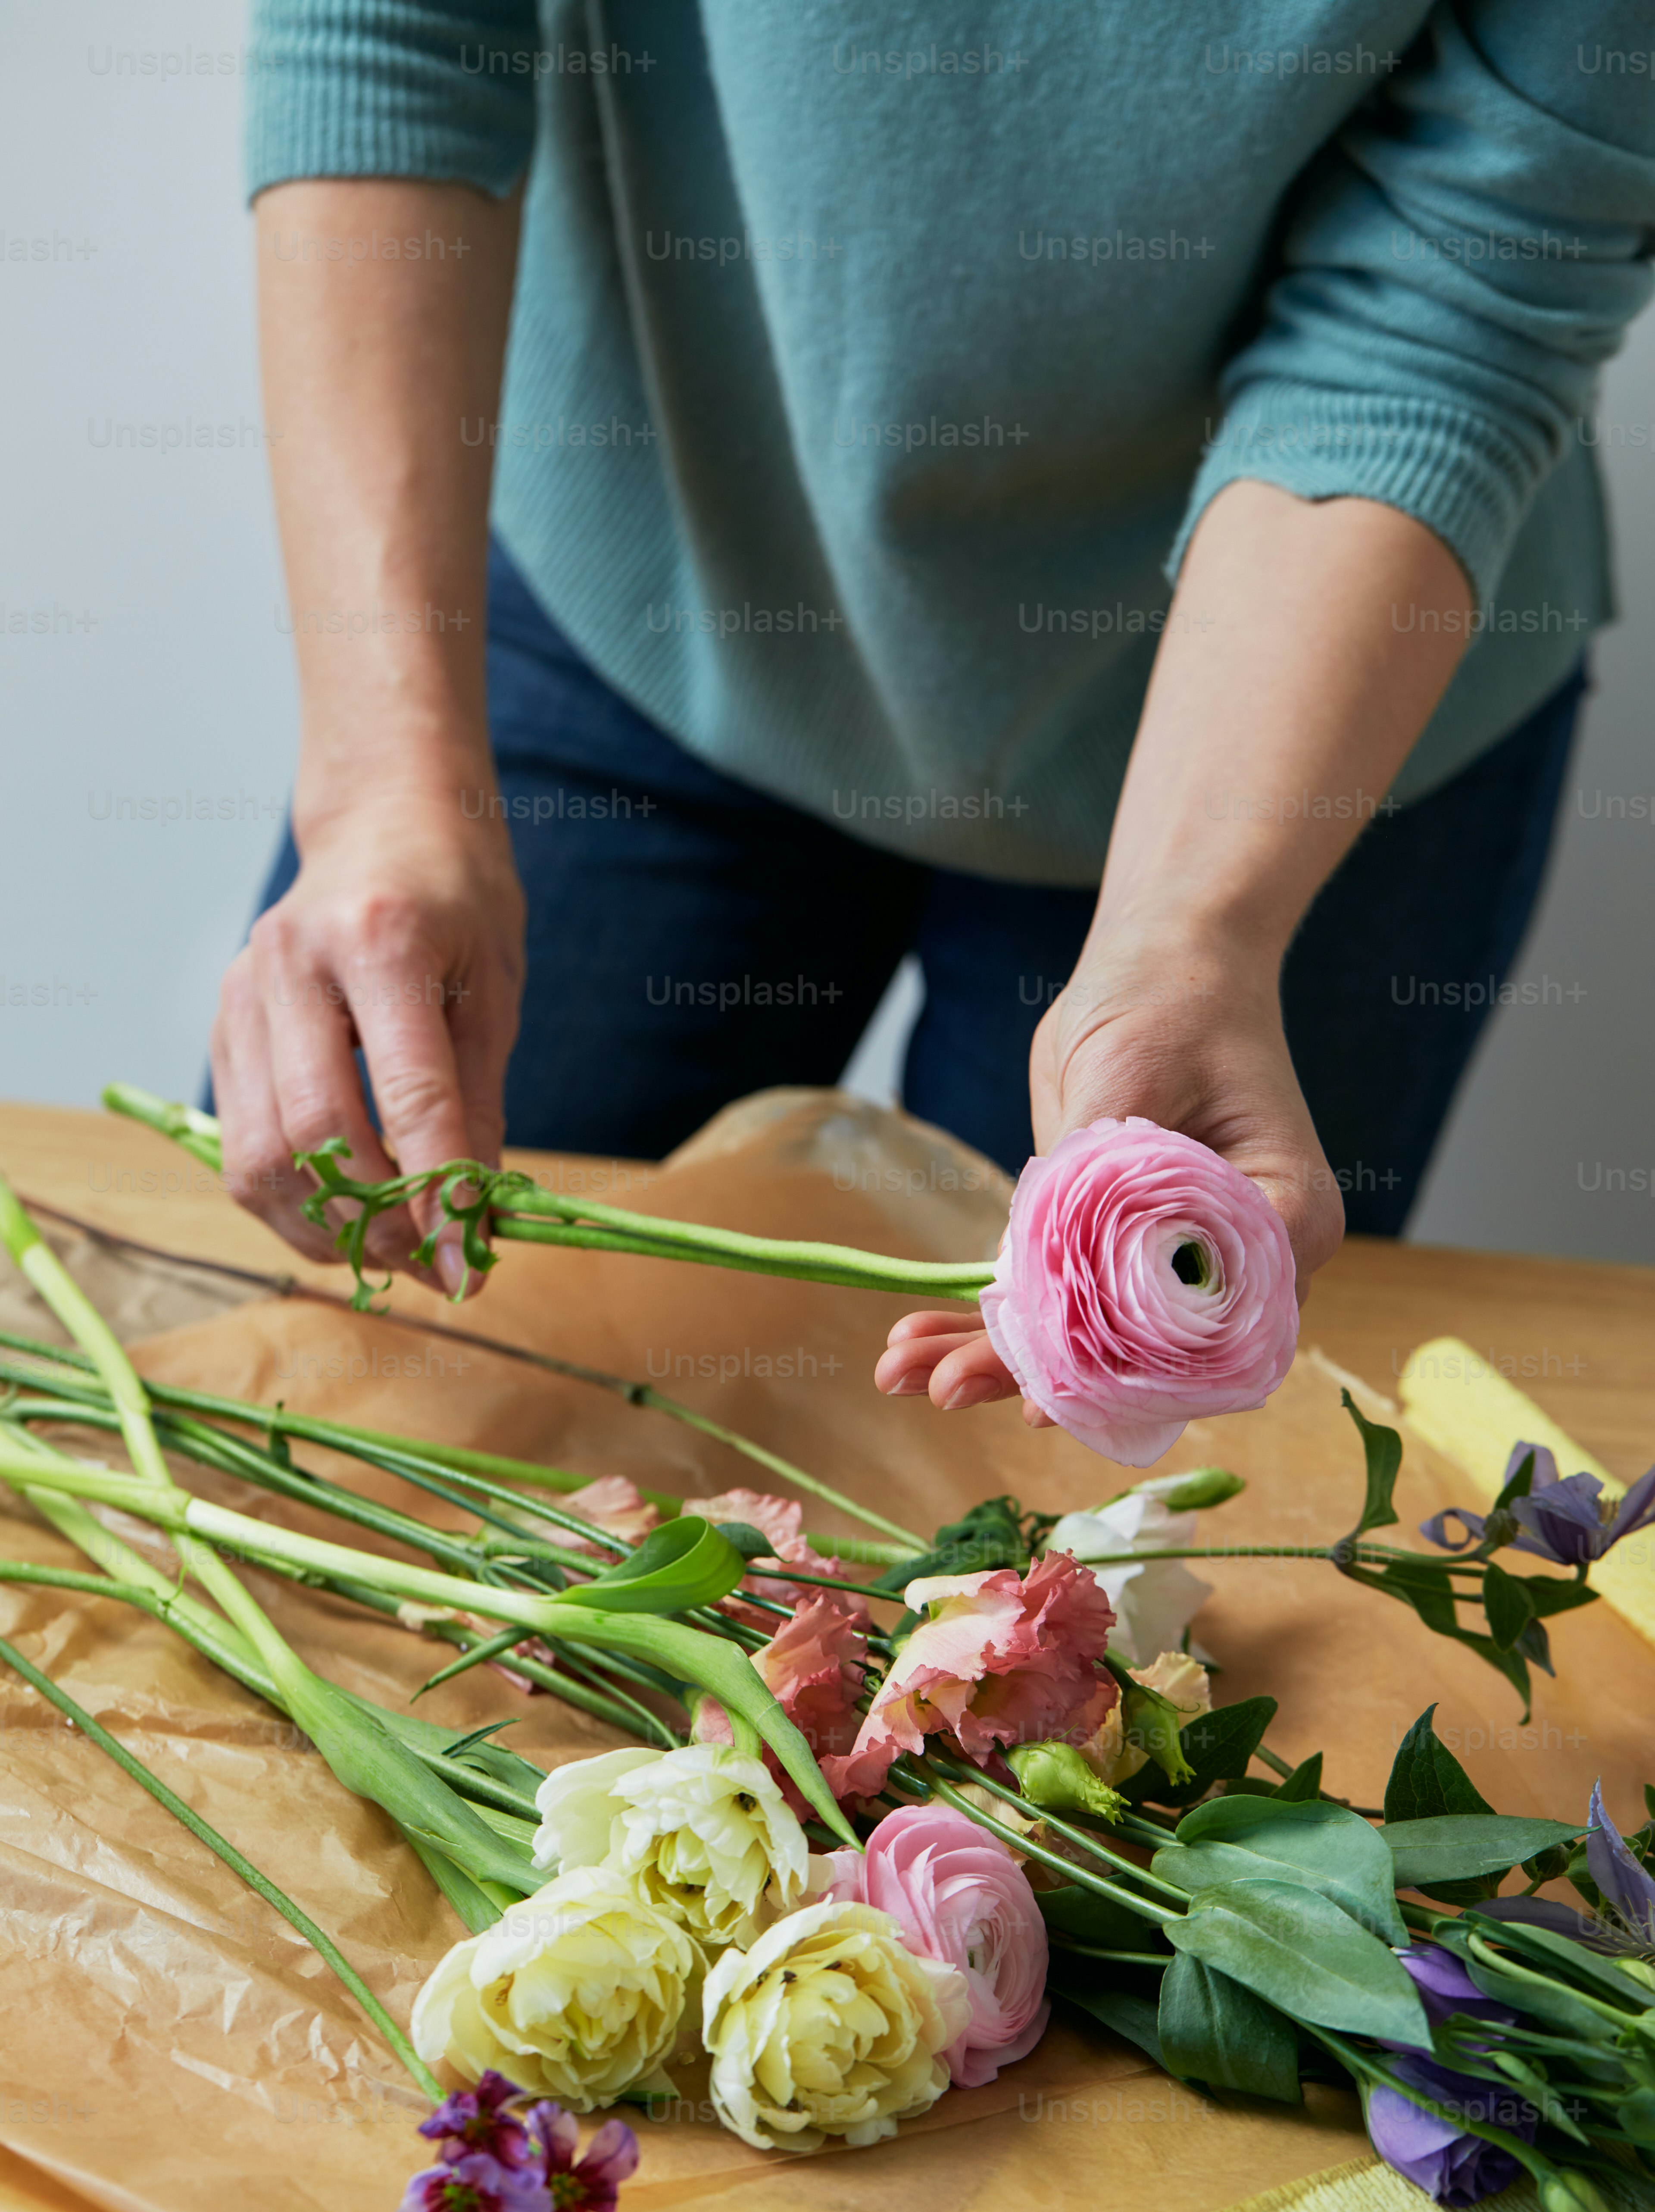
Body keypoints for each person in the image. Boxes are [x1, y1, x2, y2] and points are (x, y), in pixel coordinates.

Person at [215, 6, 1653, 1421]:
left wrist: (1194, 929)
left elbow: (1466, 283)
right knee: (325, 1368)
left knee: (1095, 1535)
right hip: (646, 580)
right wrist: (384, 787)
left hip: (1296, 715)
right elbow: (395, 32)